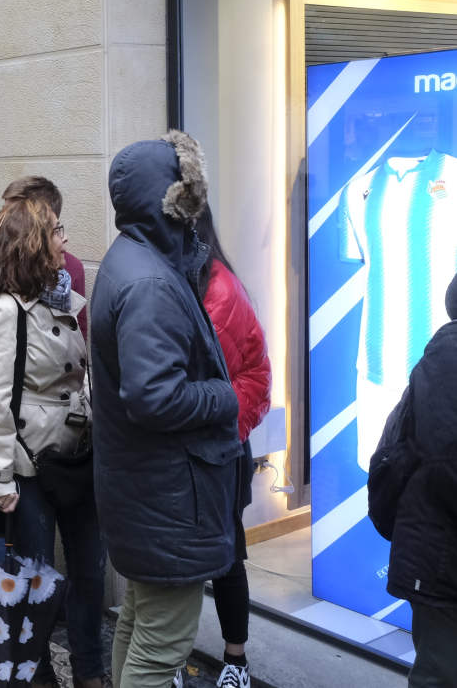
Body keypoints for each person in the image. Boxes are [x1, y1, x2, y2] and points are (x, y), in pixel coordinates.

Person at [91, 131, 239, 688]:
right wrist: (225, 396)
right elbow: (154, 397)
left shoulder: (134, 259)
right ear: (175, 201)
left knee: (139, 624)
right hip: (168, 498)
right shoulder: (150, 280)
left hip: (152, 494)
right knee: (161, 647)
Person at [0, 187, 104, 688]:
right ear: (33, 244)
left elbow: (76, 374)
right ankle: (37, 672)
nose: (65, 238)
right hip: (30, 471)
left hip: (76, 459)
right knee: (35, 581)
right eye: (57, 231)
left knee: (89, 573)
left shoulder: (58, 296)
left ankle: (90, 671)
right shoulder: (4, 312)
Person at [195, 207, 271, 688]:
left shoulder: (217, 287)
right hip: (210, 446)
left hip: (219, 450)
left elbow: (218, 378)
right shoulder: (193, 278)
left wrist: (222, 438)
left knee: (226, 554)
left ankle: (236, 663)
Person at [369, 273, 457, 688]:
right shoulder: (446, 362)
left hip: (431, 548)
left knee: (436, 670)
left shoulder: (436, 359)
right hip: (442, 552)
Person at [0, 176, 88, 399]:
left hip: (51, 404)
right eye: (4, 211)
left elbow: (77, 336)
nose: (5, 221)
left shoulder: (70, 268)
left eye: (14, 213)